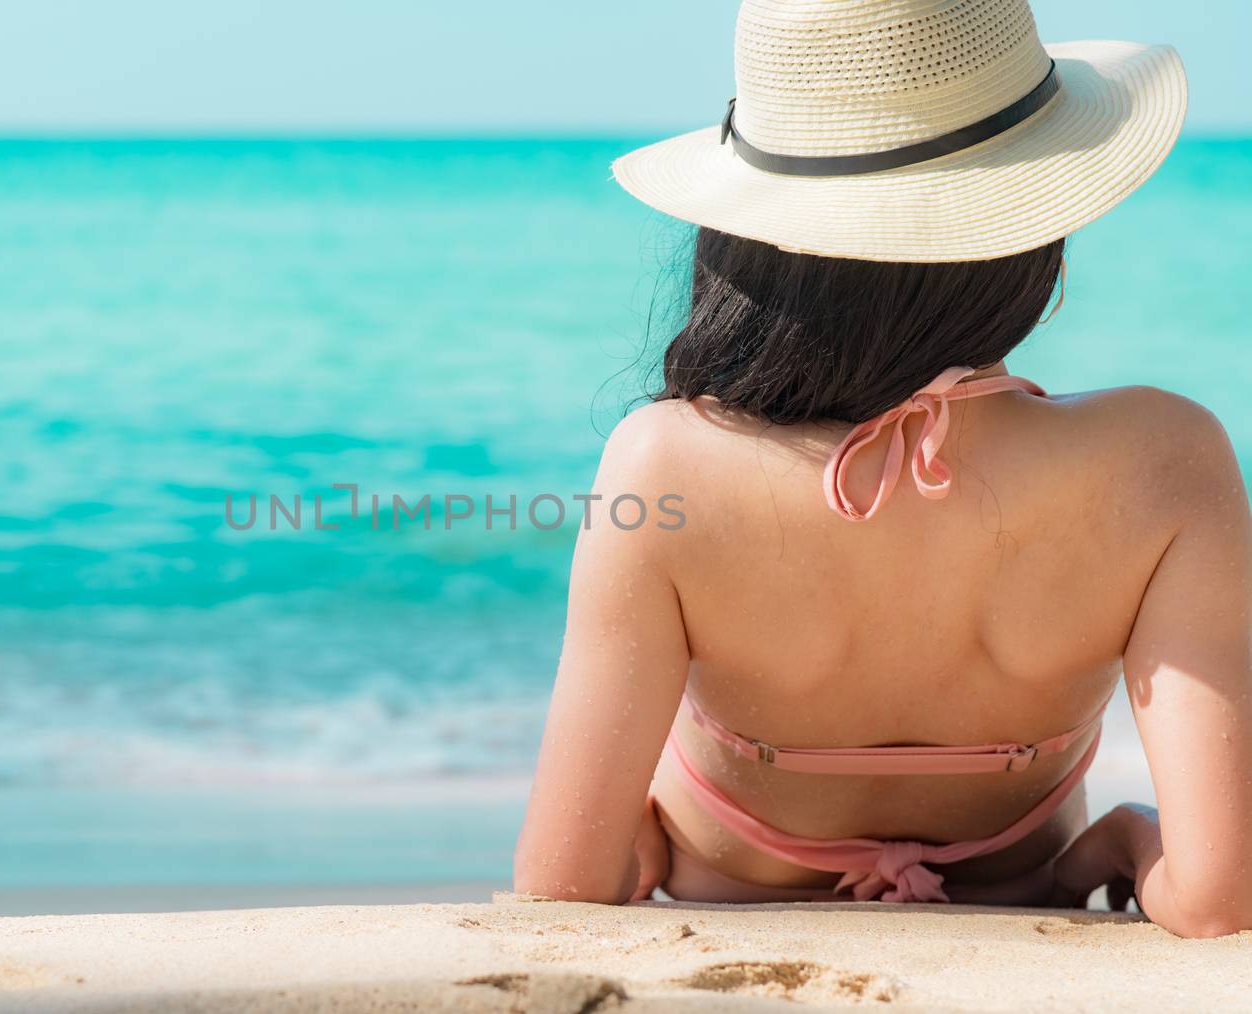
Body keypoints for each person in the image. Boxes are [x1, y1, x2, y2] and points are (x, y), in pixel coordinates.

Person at [513, 0, 1252, 938]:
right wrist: (1129, 841)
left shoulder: (667, 460)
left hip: (730, 879)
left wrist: (650, 850)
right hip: (1023, 884)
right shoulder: (1164, 458)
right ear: (1033, 228)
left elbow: (563, 878)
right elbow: (1222, 897)